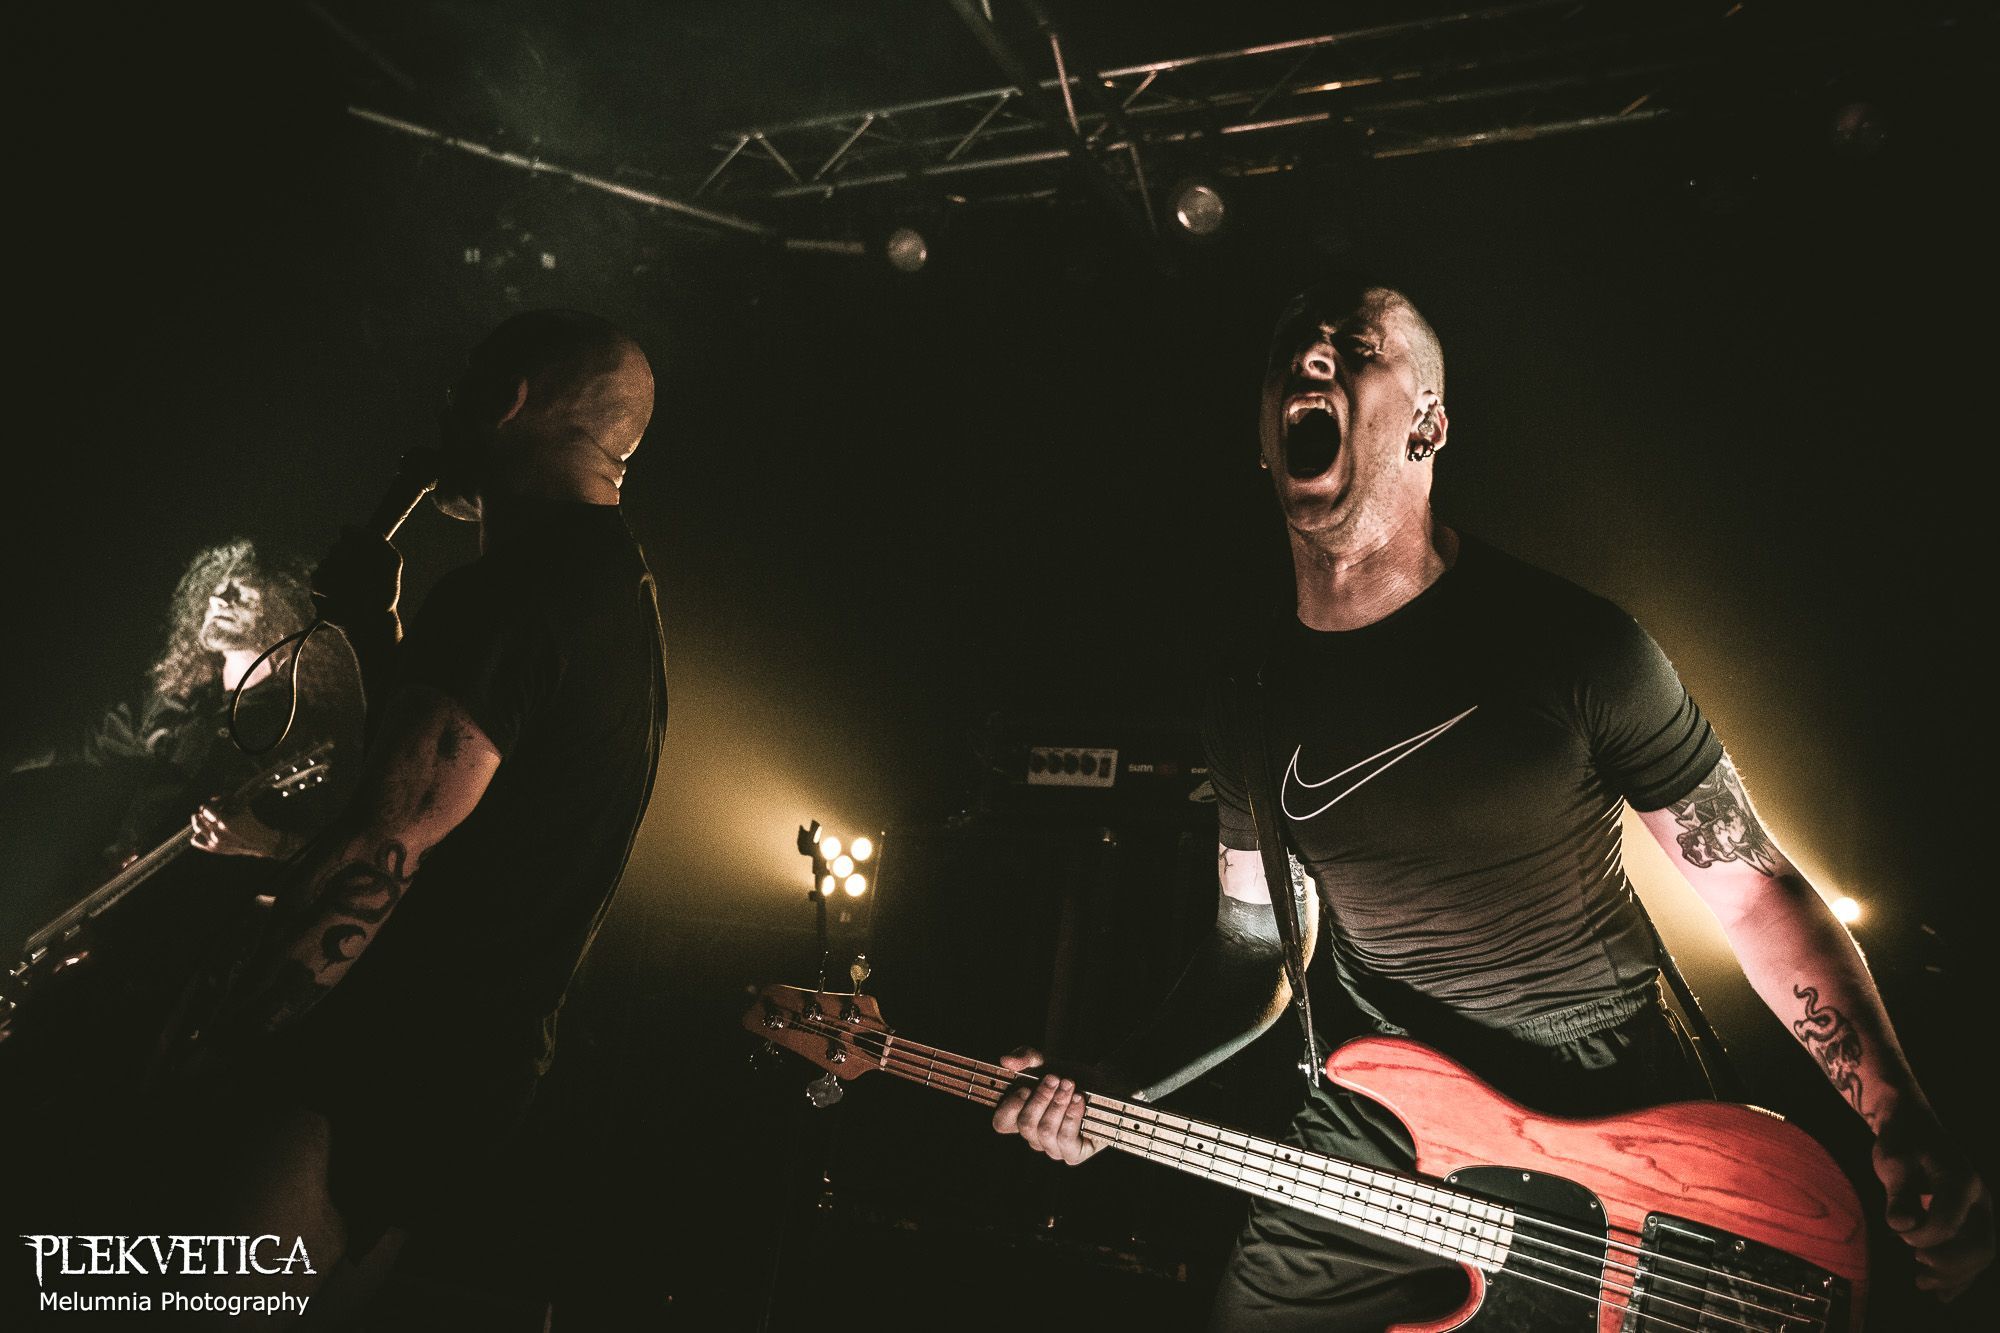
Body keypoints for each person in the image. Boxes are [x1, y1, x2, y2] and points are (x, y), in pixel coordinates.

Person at [990, 278, 1992, 1327]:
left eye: (1355, 345)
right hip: (1383, 1093)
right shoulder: (1247, 700)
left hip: (1600, 1078)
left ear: (1427, 425)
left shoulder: (1572, 646)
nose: (1313, 358)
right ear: (1263, 438)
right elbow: (1251, 948)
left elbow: (1751, 890)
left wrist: (1896, 1110)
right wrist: (1114, 1085)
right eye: (1293, 348)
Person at [160, 308, 666, 1317]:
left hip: (377, 1047)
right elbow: (464, 785)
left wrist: (234, 1036)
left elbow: (383, 842)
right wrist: (373, 626)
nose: (444, 410)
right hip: (469, 1064)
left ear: (506, 400)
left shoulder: (514, 591)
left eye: (462, 387)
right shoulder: (616, 590)